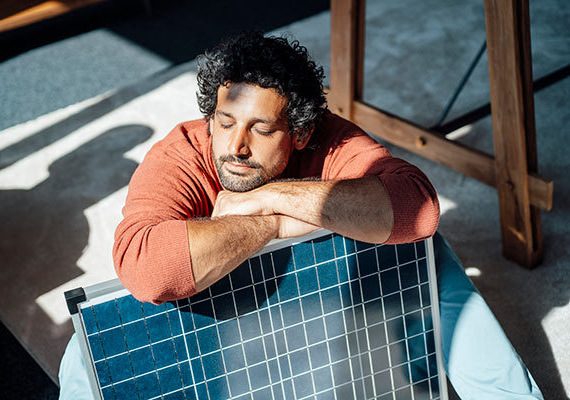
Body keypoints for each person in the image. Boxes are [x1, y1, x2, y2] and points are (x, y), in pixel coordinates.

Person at [59, 32, 543, 399]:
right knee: (92, 349)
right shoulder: (181, 154)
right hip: (219, 309)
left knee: (432, 260)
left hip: (321, 299)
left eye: (261, 129)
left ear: (301, 133)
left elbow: (417, 210)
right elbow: (148, 269)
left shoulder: (331, 138)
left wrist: (270, 202)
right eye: (224, 123)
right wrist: (268, 225)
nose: (236, 146)